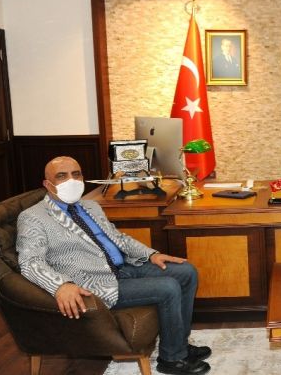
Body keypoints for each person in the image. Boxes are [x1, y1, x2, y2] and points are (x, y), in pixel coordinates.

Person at [16, 156, 212, 375]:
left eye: (76, 174)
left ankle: (178, 344)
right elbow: (29, 262)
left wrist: (151, 255)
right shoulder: (32, 217)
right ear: (47, 183)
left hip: (122, 268)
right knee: (168, 287)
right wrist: (61, 286)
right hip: (94, 283)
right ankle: (172, 359)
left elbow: (118, 238)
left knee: (186, 272)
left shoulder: (90, 206)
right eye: (62, 176)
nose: (71, 180)